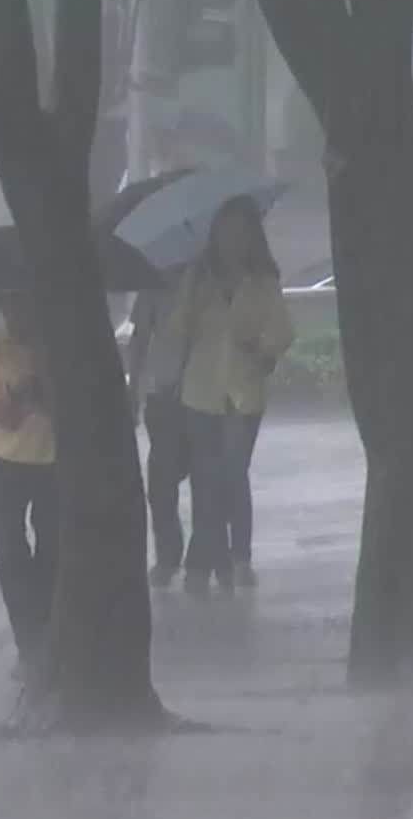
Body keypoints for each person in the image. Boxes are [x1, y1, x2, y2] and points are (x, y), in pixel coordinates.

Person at [166, 196, 295, 594]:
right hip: (200, 391)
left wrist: (258, 346)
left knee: (233, 475)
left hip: (243, 392)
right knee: (205, 480)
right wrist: (190, 287)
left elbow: (282, 333)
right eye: (225, 231)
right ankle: (206, 561)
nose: (232, 239)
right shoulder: (199, 278)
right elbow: (179, 328)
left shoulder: (263, 283)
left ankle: (239, 557)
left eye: (241, 231)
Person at [0, 289, 57, 677]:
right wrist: (22, 391)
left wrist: (44, 386)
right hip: (3, 463)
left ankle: (49, 632)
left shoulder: (56, 346)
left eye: (23, 302)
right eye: (9, 305)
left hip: (53, 462)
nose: (15, 312)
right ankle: (28, 641)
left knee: (52, 550)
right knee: (11, 551)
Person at [126, 282, 196, 588]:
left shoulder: (206, 282)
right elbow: (139, 339)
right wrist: (133, 390)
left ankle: (206, 556)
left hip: (202, 395)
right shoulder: (152, 285)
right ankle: (169, 556)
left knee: (208, 479)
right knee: (161, 483)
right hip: (163, 395)